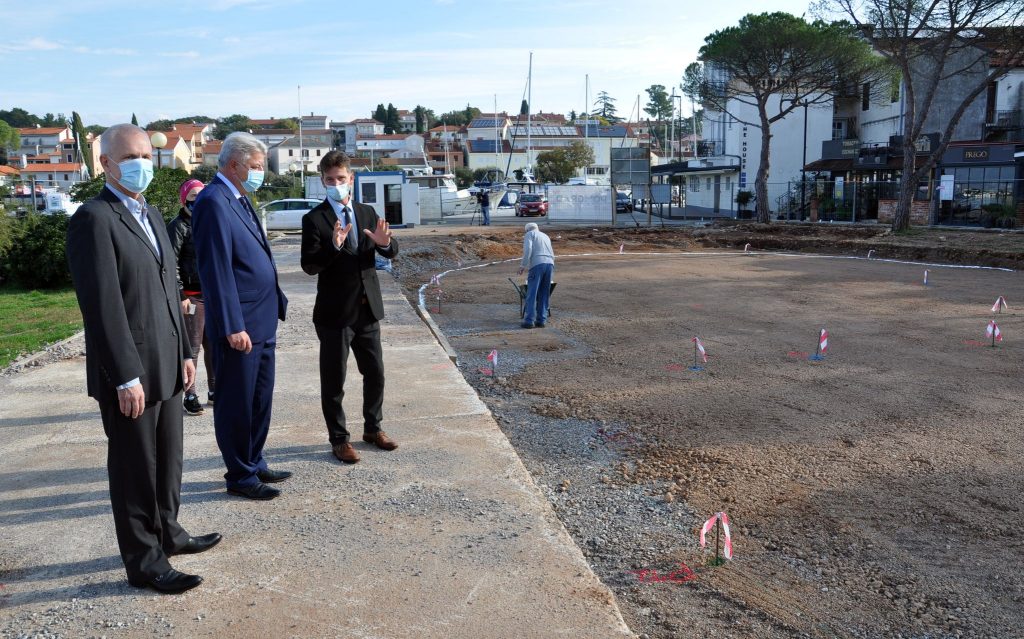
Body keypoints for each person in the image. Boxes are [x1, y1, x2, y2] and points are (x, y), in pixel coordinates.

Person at [66, 123, 221, 595]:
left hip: (168, 361)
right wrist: (124, 375)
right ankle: (144, 561)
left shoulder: (151, 212)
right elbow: (102, 305)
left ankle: (169, 532)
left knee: (168, 458)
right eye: (131, 157)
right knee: (135, 467)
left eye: (147, 156)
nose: (142, 165)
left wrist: (184, 354)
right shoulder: (94, 218)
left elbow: (169, 287)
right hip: (130, 369)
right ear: (107, 164)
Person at [192, 132, 290, 500]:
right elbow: (216, 270)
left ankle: (255, 459)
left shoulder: (240, 198)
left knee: (260, 397)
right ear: (234, 164)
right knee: (236, 401)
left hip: (261, 320)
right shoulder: (213, 202)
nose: (259, 173)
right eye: (255, 167)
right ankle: (240, 475)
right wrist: (232, 325)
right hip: (240, 326)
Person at [301, 150, 399, 464]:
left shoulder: (367, 212)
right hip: (334, 314)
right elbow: (309, 265)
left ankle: (373, 428)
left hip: (367, 309)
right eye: (329, 180)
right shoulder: (314, 219)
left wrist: (385, 244)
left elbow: (390, 249)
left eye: (341, 179)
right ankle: (339, 439)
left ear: (351, 179)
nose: (335, 184)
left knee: (376, 373)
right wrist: (333, 246)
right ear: (322, 181)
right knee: (334, 381)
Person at [167, 178, 215, 415]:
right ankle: (190, 394)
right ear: (184, 199)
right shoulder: (178, 226)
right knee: (192, 348)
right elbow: (171, 262)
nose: (197, 200)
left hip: (213, 295)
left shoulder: (209, 222)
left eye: (201, 196)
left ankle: (215, 390)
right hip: (192, 296)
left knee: (214, 346)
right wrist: (181, 293)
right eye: (192, 196)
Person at [517, 222, 554, 329]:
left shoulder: (529, 234)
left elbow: (528, 250)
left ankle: (529, 321)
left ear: (527, 230)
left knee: (532, 293)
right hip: (550, 264)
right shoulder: (545, 236)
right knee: (544, 293)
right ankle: (541, 320)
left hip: (537, 265)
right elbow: (551, 252)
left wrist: (522, 265)